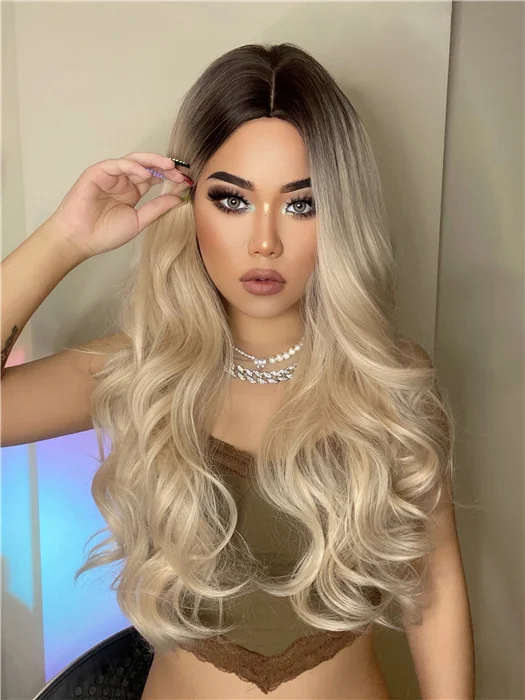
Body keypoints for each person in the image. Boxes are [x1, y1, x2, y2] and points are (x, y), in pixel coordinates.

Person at [1, 43, 474, 699]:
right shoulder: (139, 368)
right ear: (189, 203)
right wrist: (65, 239)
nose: (264, 242)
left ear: (342, 215)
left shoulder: (387, 380)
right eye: (232, 200)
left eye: (301, 204)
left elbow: (435, 579)